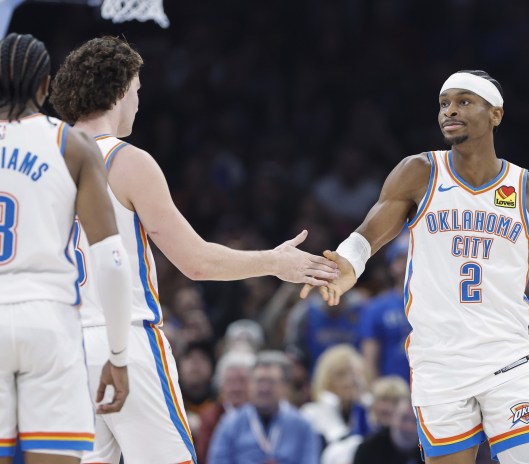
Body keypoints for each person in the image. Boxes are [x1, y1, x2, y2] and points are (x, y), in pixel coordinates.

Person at [302, 70, 529, 463]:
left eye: (464, 101)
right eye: (444, 103)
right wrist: (350, 261)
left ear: (495, 114)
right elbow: (369, 232)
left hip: (506, 359)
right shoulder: (420, 172)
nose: (450, 110)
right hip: (439, 363)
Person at [48, 36, 338, 464]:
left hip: (60, 348)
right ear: (122, 89)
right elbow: (196, 262)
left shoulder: (42, 163)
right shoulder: (127, 161)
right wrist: (275, 261)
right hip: (123, 341)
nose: (140, 104)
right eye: (139, 91)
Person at [0, 33, 132, 463]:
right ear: (46, 86)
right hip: (49, 321)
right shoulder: (71, 145)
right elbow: (111, 263)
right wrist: (117, 354)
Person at [207, 351, 320, 464]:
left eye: (271, 382)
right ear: (250, 385)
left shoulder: (303, 426)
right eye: (259, 381)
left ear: (285, 387)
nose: (264, 389)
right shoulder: (230, 424)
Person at [360, 231, 412, 385]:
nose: (406, 264)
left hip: (432, 392)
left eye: (411, 256)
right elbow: (369, 360)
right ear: (391, 266)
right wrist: (376, 393)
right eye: (400, 258)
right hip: (392, 392)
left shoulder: (436, 305)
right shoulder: (376, 308)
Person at [352, 396, 421, 464]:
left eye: (415, 421)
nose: (409, 427)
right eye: (404, 418)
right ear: (392, 417)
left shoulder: (428, 451)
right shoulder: (367, 450)